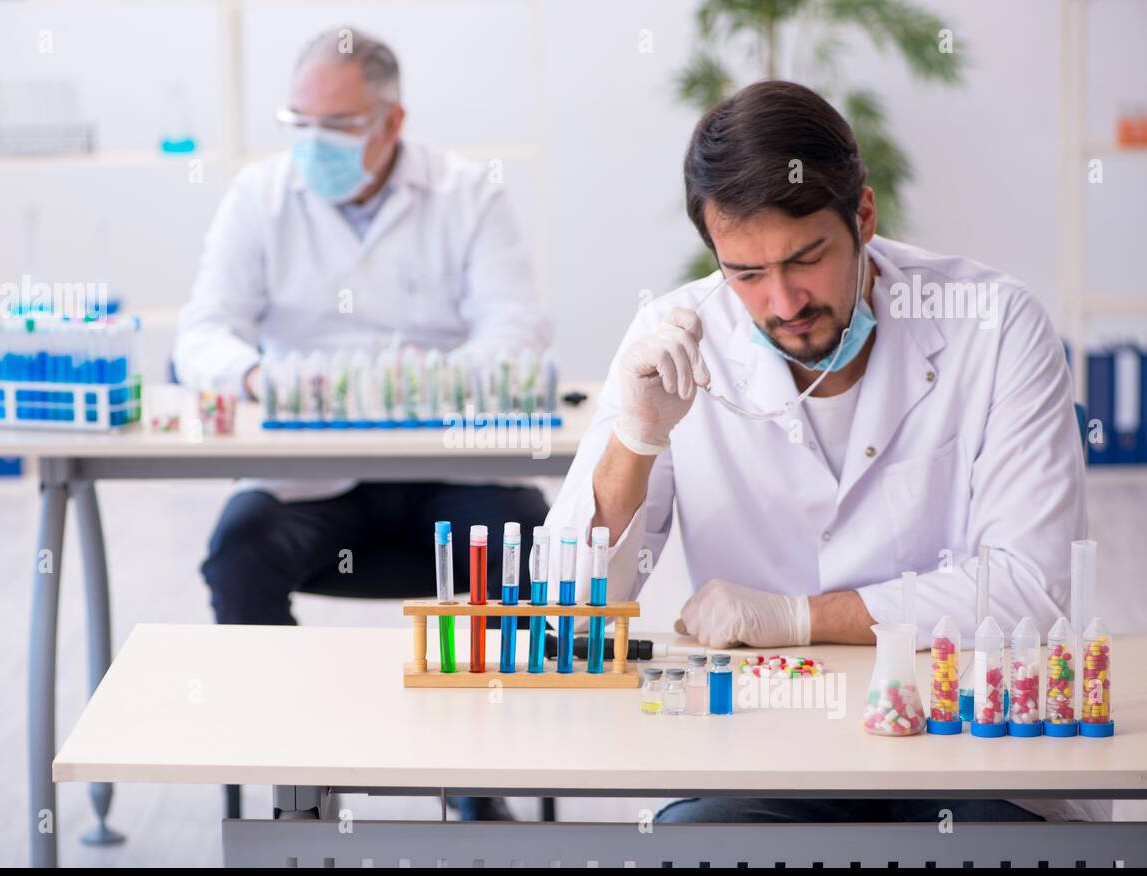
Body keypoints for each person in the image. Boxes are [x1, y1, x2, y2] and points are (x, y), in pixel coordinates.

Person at [543, 79, 1102, 826]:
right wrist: (636, 440)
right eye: (745, 273)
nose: (783, 302)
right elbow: (564, 616)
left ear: (864, 215)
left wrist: (798, 616)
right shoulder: (674, 339)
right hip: (756, 745)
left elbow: (1033, 589)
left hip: (965, 734)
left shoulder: (994, 325)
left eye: (806, 258)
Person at [175, 27, 548, 821]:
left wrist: (415, 386)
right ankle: (295, 780)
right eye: (297, 123)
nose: (314, 144)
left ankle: (477, 781)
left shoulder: (466, 193)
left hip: (447, 470)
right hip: (313, 474)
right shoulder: (259, 196)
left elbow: (516, 328)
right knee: (238, 551)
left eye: (337, 127)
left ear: (392, 121)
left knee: (523, 541)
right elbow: (201, 332)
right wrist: (259, 376)